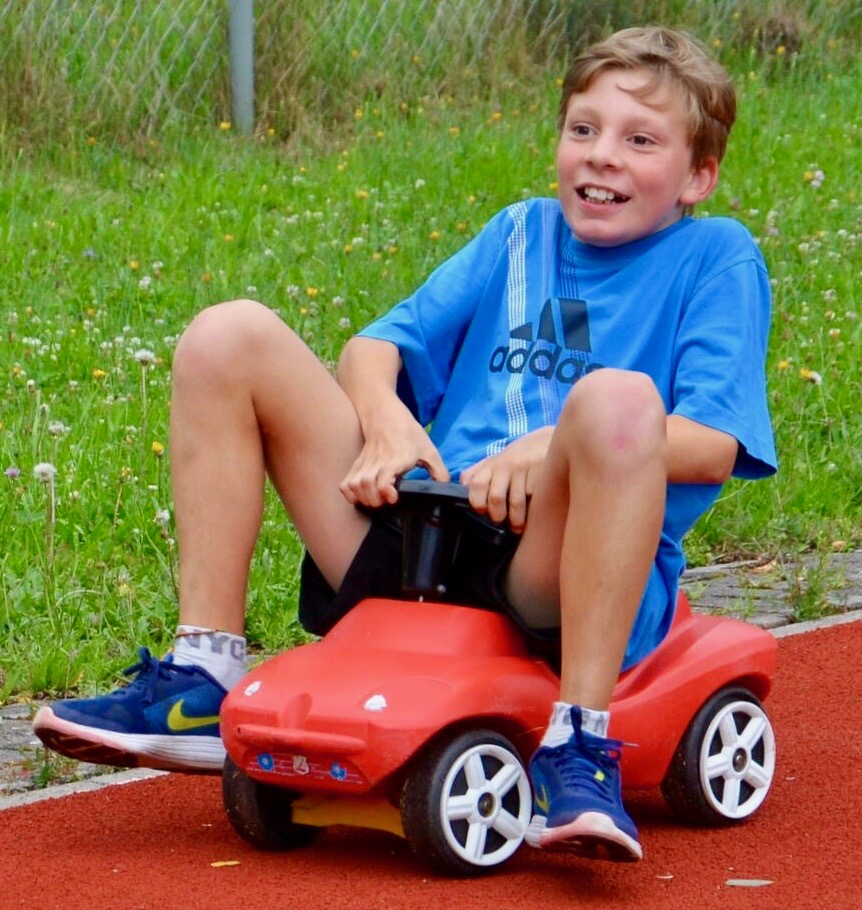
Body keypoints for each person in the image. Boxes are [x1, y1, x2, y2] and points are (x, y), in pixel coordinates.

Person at [34, 26, 776, 862]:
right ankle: (204, 671)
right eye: (583, 129)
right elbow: (373, 348)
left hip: (551, 570)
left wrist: (550, 447)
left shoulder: (715, 257)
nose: (602, 154)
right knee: (227, 334)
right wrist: (385, 418)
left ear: (698, 176)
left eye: (640, 141)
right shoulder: (521, 233)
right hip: (423, 527)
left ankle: (579, 742)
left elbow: (713, 442)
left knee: (618, 397)